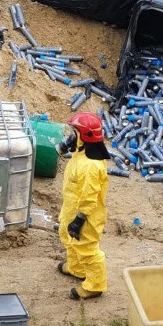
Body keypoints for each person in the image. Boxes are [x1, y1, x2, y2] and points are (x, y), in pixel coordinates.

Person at [55, 112, 110, 300]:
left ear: (85, 136)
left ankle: (95, 285)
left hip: (86, 215)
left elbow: (89, 196)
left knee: (86, 248)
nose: (70, 136)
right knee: (67, 237)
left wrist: (79, 220)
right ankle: (76, 268)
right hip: (71, 207)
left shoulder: (91, 166)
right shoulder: (82, 153)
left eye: (74, 132)